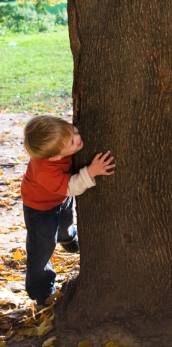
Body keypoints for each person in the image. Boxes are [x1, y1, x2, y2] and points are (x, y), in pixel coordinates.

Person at [21, 115, 115, 306]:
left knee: (66, 222)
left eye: (73, 130)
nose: (77, 136)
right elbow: (71, 187)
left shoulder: (57, 142)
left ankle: (68, 239)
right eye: (73, 140)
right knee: (42, 247)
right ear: (55, 156)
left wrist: (68, 136)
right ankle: (42, 291)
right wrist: (91, 172)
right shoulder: (44, 170)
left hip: (60, 198)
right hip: (40, 209)